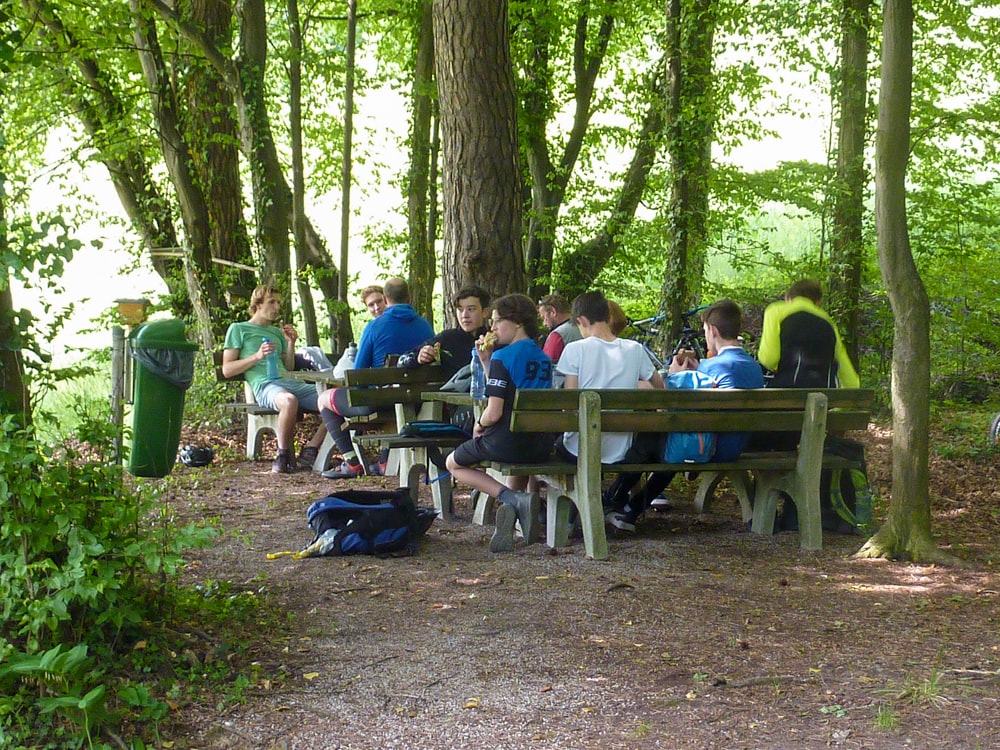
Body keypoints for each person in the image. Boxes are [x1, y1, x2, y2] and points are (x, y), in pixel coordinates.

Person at [602, 299, 765, 532]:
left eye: (705, 330)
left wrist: (675, 375)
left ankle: (613, 500)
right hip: (735, 447)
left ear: (713, 330)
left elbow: (673, 405)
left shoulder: (710, 368)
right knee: (669, 448)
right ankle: (630, 509)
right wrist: (697, 371)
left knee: (650, 442)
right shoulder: (753, 367)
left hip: (709, 448)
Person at [445, 294, 553, 553]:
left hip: (506, 442)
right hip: (539, 444)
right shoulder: (543, 357)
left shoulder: (504, 357)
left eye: (496, 321)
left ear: (517, 322)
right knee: (519, 464)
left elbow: (493, 412)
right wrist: (486, 361)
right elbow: (504, 388)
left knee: (452, 463)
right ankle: (516, 516)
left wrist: (479, 424)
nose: (491, 328)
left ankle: (510, 498)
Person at [318, 278, 434, 479]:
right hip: (417, 401)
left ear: (386, 299)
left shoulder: (374, 327)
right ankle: (383, 461)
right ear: (409, 297)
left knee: (323, 399)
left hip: (379, 403)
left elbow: (358, 374)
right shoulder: (425, 326)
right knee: (394, 399)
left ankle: (352, 463)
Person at [222, 284, 327, 474]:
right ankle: (283, 456)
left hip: (292, 383)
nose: (277, 307)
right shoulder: (238, 329)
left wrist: (290, 343)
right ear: (257, 305)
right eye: (272, 302)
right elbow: (227, 370)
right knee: (289, 401)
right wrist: (257, 356)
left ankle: (311, 449)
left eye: (279, 303)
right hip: (266, 386)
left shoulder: (277, 332)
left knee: (335, 400)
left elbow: (288, 367)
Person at [555, 291, 663, 467]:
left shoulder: (575, 349)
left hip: (578, 449)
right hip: (620, 451)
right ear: (607, 316)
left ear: (582, 321)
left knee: (557, 444)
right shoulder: (635, 349)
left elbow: (569, 404)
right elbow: (659, 387)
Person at [757, 279, 859, 389]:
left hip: (788, 389)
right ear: (818, 302)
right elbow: (845, 368)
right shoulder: (827, 320)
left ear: (788, 297)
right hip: (824, 390)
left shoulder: (776, 310)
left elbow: (769, 360)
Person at [399, 285, 491, 379]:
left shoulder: (494, 340)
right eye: (460, 309)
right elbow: (402, 360)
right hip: (453, 388)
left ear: (485, 312)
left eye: (471, 309)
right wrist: (419, 357)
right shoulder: (447, 338)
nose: (464, 315)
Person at [537, 294, 581, 365]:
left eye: (544, 318)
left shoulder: (557, 335)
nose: (544, 324)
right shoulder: (583, 327)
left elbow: (546, 366)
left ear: (552, 312)